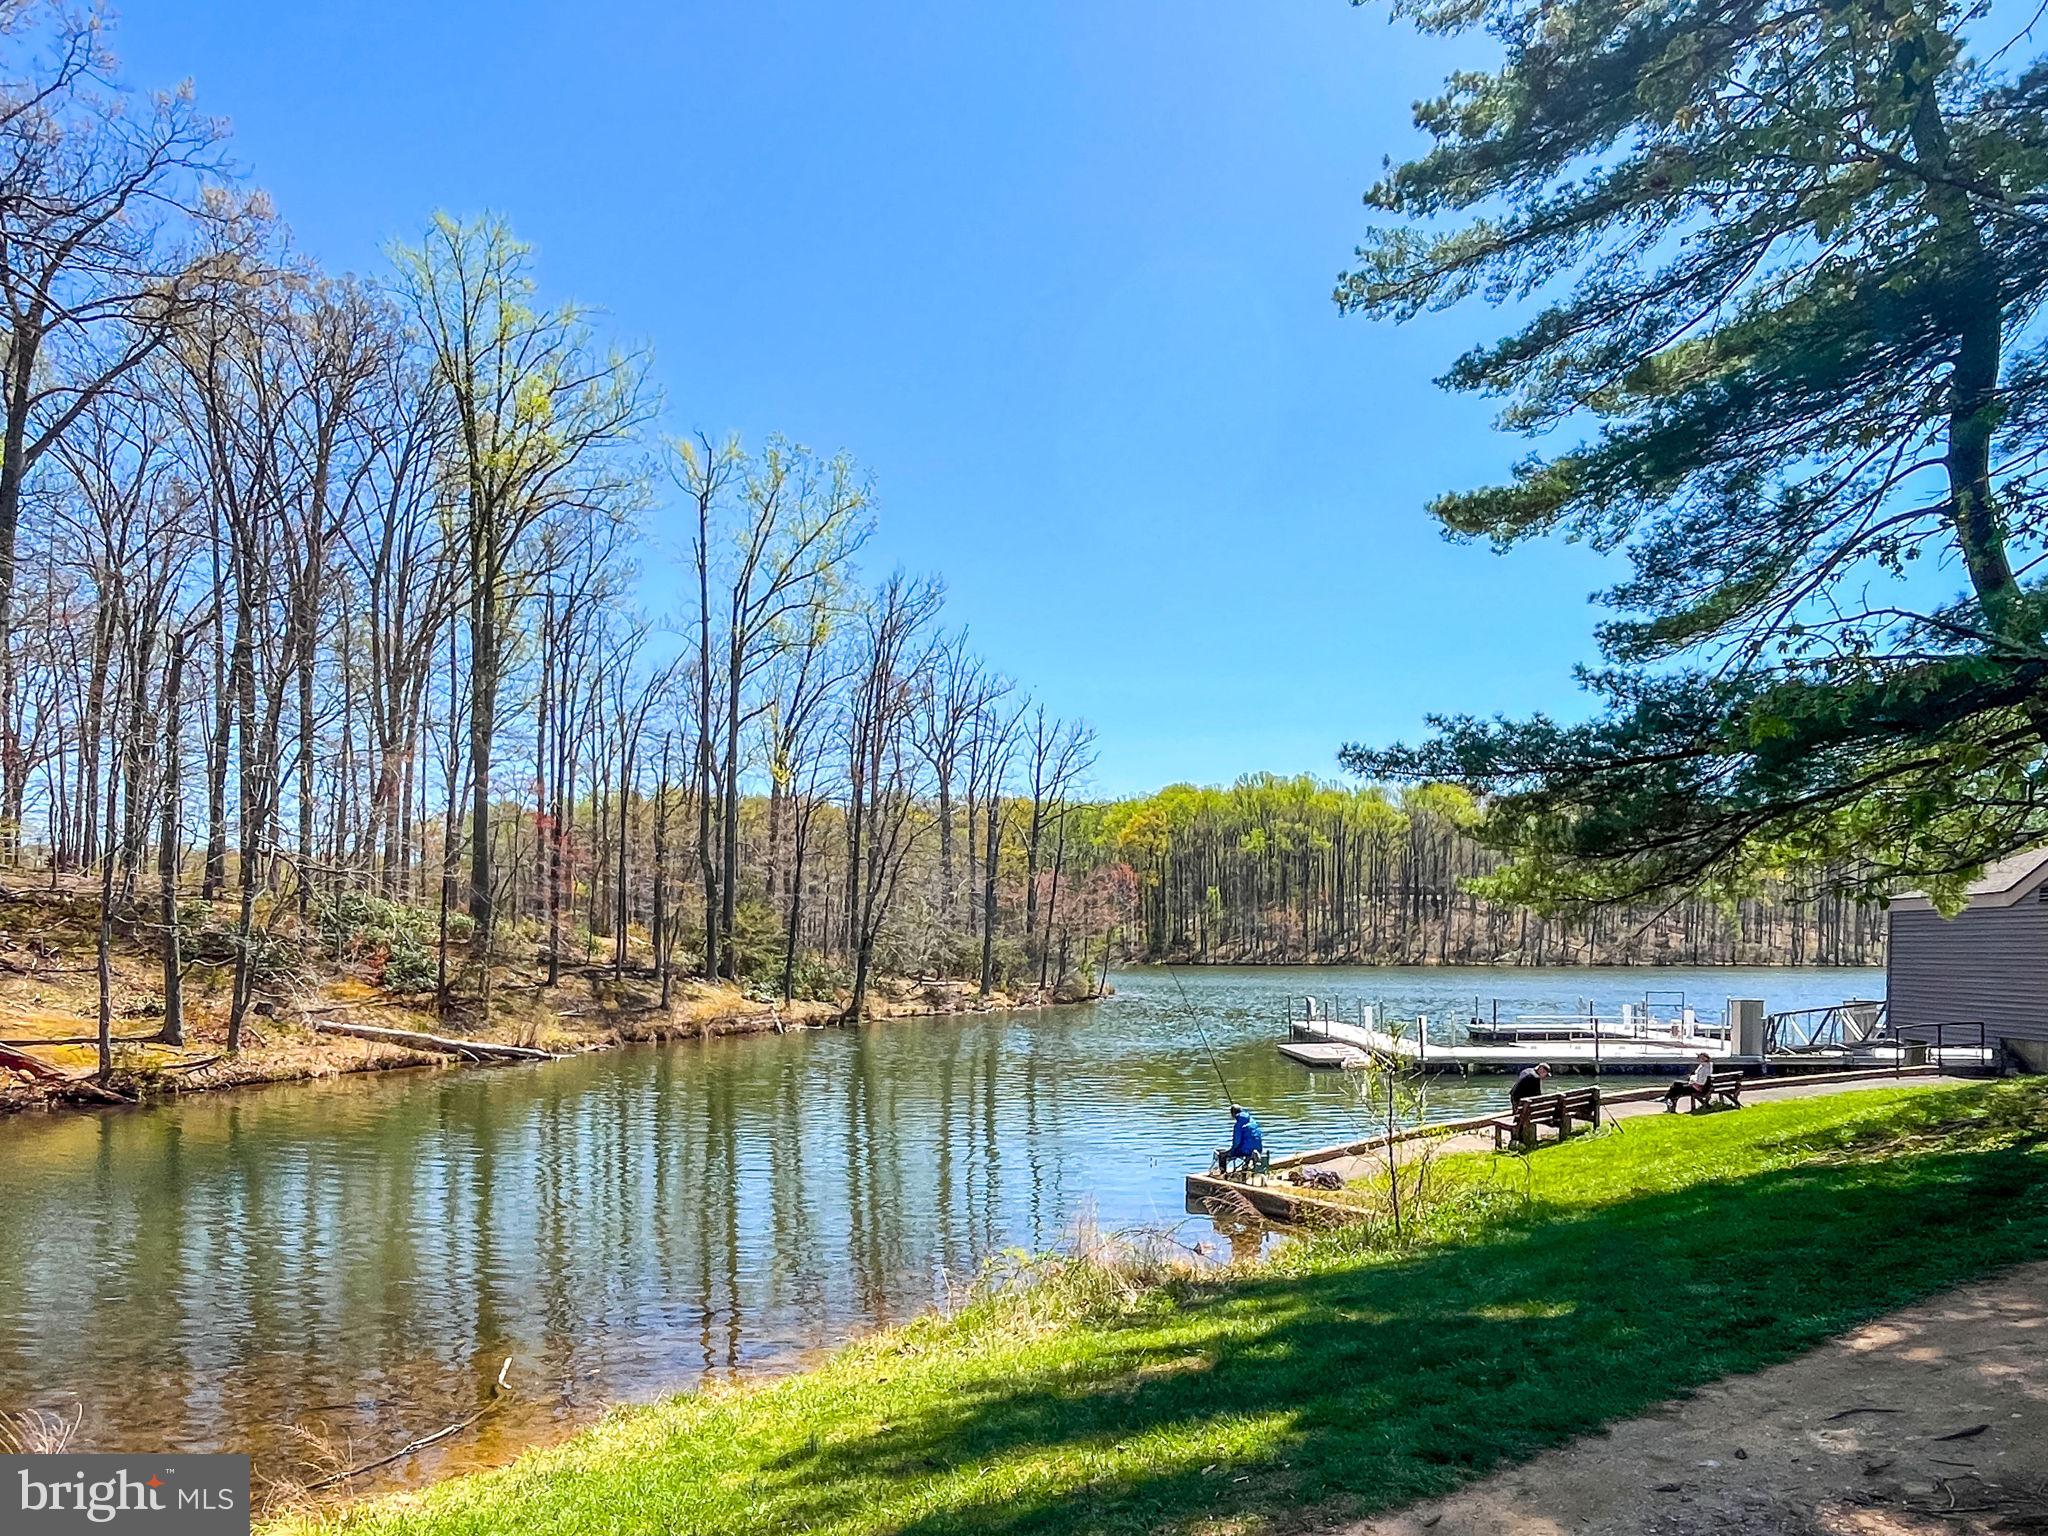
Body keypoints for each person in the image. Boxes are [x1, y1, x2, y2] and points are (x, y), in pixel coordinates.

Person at [1213, 1104, 1264, 1176]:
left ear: (1233, 1114)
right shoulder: (1252, 1120)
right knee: (1247, 1147)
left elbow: (1236, 1142)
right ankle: (1245, 1169)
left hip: (1246, 1150)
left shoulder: (1238, 1125)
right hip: (1258, 1148)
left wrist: (1231, 1151)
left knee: (1222, 1155)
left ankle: (1223, 1175)